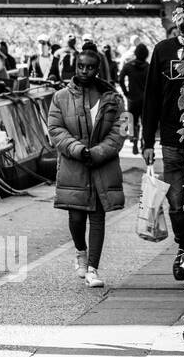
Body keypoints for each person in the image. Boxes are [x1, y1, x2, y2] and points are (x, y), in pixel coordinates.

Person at [48, 48, 127, 288]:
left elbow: (121, 130)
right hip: (74, 165)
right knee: (76, 216)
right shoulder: (60, 97)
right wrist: (78, 150)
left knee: (98, 217)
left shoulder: (113, 98)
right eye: (81, 66)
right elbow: (56, 130)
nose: (85, 71)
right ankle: (80, 252)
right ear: (76, 66)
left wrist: (97, 153)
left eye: (90, 67)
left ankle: (93, 269)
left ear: (97, 69)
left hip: (102, 166)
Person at [141, 19, 184, 282]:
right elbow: (151, 97)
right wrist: (147, 141)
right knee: (176, 204)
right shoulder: (163, 50)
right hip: (172, 141)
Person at [118, 43, 150, 154]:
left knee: (132, 121)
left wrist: (126, 92)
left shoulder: (128, 65)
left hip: (132, 98)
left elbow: (120, 79)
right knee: (144, 122)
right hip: (145, 99)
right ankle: (142, 140)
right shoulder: (148, 67)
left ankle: (134, 140)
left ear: (135, 53)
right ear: (146, 54)